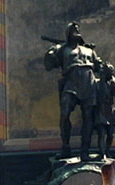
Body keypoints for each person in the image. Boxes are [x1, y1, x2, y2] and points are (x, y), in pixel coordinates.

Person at [44, 22, 102, 161]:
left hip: (89, 82)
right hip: (71, 82)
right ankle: (65, 147)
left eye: (77, 29)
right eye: (73, 29)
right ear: (68, 33)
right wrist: (51, 53)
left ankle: (85, 151)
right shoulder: (62, 49)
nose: (76, 31)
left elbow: (99, 67)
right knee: (65, 113)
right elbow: (49, 65)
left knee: (88, 117)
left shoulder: (89, 51)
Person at [95, 62, 115, 159]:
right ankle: (102, 153)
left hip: (109, 110)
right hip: (100, 110)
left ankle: (107, 151)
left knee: (110, 134)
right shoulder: (96, 83)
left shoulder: (112, 84)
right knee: (101, 133)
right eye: (108, 72)